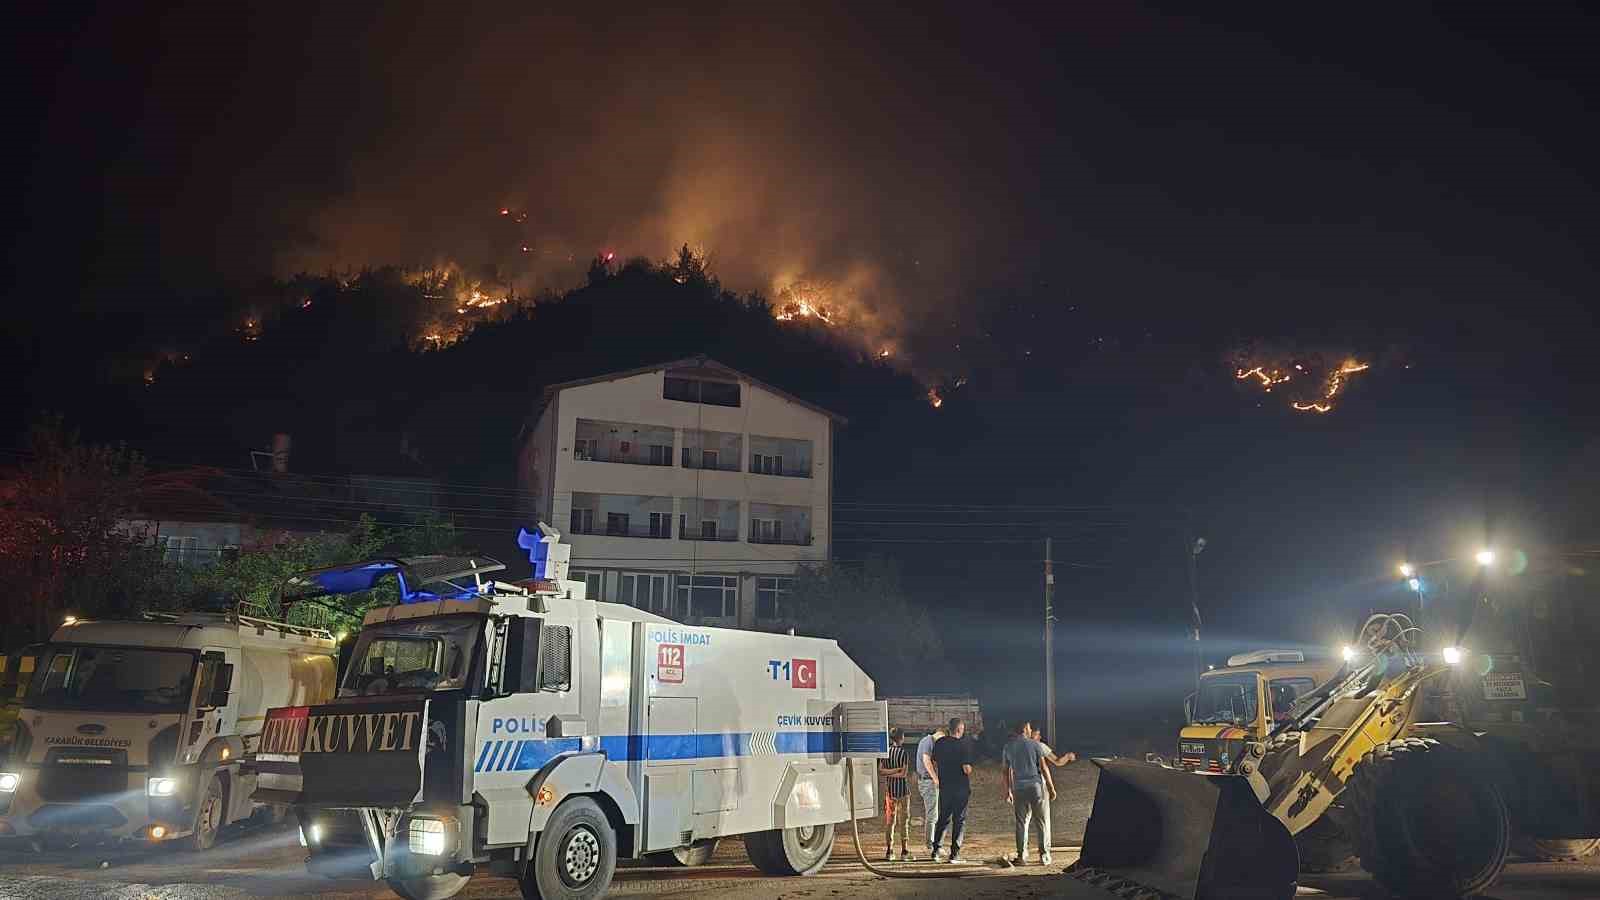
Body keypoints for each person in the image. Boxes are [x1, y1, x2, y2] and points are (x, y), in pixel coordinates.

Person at [1003, 720, 1056, 865]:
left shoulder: (1008, 747)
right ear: (1026, 729)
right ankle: (1044, 855)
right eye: (1029, 728)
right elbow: (1044, 768)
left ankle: (1022, 855)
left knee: (1021, 822)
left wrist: (1008, 791)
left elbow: (1006, 772)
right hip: (1036, 786)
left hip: (1019, 787)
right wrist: (1051, 788)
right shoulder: (1035, 745)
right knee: (1040, 821)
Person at [929, 717, 974, 863]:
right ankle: (954, 854)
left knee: (943, 818)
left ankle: (936, 850)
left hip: (945, 787)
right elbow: (966, 769)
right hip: (960, 788)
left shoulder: (940, 743)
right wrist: (970, 769)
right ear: (960, 730)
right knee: (959, 820)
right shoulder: (963, 745)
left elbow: (934, 761)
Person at [879, 728, 913, 860]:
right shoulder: (904, 753)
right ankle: (904, 851)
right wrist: (897, 770)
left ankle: (890, 851)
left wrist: (890, 772)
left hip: (890, 791)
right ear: (901, 738)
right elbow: (903, 774)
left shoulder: (886, 752)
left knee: (890, 821)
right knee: (904, 821)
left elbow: (881, 771)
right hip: (903, 791)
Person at [914, 723, 945, 855]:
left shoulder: (927, 741)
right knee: (933, 814)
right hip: (927, 782)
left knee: (933, 813)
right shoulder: (928, 742)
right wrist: (935, 779)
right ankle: (931, 845)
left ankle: (932, 843)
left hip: (927, 781)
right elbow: (926, 761)